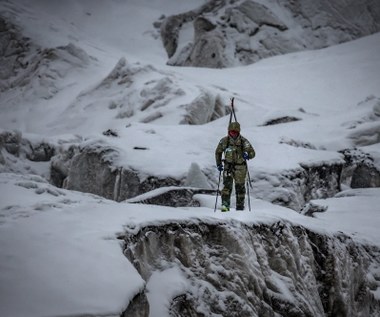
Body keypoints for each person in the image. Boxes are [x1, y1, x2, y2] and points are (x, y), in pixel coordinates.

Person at [215, 121, 255, 211]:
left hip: (240, 168)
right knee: (226, 187)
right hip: (227, 168)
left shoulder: (244, 142)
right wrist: (218, 164)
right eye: (231, 131)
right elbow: (218, 152)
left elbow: (253, 153)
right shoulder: (224, 141)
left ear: (238, 132)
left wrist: (248, 155)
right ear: (228, 131)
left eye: (235, 132)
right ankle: (225, 206)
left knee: (240, 188)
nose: (233, 133)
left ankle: (240, 207)